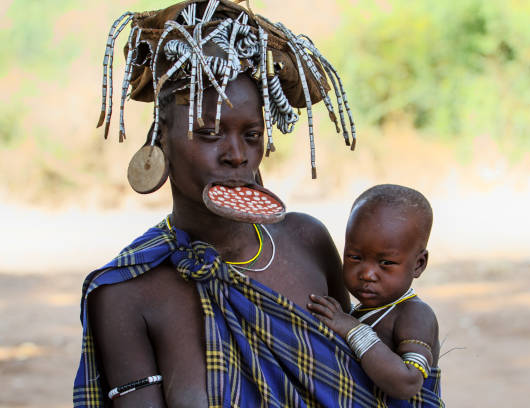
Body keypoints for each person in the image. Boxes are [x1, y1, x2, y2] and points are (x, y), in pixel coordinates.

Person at [73, 1, 413, 407]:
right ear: (161, 137)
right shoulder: (125, 294)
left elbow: (363, 380)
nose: (236, 155)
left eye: (251, 134)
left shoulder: (307, 241)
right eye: (209, 133)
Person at [308, 184, 444, 406]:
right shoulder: (359, 312)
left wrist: (353, 330)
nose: (367, 274)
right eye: (355, 257)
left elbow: (407, 383)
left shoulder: (415, 315)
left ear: (418, 265)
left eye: (386, 263)